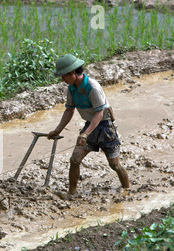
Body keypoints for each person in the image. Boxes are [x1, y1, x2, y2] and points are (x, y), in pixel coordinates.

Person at [48, 54, 129, 198]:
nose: (62, 80)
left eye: (64, 76)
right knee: (74, 160)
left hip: (105, 127)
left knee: (115, 165)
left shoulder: (93, 87)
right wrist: (57, 130)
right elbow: (69, 110)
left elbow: (99, 113)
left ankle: (127, 190)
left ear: (73, 73)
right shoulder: (71, 89)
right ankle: (71, 193)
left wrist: (85, 134)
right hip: (89, 126)